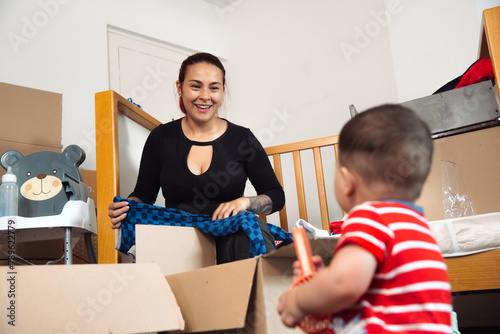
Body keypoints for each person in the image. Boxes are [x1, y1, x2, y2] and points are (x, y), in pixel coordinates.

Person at [278, 105, 452, 333]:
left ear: (347, 180)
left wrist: (298, 300)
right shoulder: (417, 225)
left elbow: (343, 286)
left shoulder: (369, 217)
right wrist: (324, 280)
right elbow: (368, 294)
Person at [108, 52, 285, 263]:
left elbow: (276, 195)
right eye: (195, 86)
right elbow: (144, 194)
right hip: (178, 238)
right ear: (179, 88)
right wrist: (127, 207)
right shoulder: (161, 138)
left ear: (222, 91)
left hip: (231, 238)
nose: (205, 96)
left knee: (245, 231)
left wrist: (245, 202)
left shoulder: (242, 138)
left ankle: (244, 291)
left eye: (214, 87)